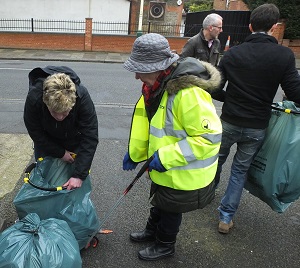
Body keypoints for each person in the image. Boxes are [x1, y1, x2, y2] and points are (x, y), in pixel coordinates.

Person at [122, 33, 222, 261]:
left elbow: (209, 138)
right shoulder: (155, 88)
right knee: (159, 201)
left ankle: (165, 245)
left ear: (158, 67)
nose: (136, 76)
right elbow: (149, 124)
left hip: (181, 169)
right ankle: (151, 231)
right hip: (165, 166)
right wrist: (136, 154)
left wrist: (166, 157)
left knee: (170, 209)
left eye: (140, 69)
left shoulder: (189, 94)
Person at [211, 3, 300, 234]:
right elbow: (295, 90)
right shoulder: (284, 55)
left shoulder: (233, 54)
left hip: (229, 120)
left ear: (250, 26)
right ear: (274, 27)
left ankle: (206, 196)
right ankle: (225, 217)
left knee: (216, 161)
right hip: (257, 126)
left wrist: (229, 98)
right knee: (240, 171)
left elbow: (214, 87)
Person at [24, 66, 99, 190]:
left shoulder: (82, 97)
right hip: (46, 139)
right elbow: (35, 131)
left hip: (73, 137)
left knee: (74, 179)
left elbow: (90, 136)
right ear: (45, 102)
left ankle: (69, 203)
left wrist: (79, 176)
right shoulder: (35, 97)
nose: (60, 117)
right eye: (54, 112)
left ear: (73, 103)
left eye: (65, 112)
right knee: (47, 176)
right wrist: (60, 153)